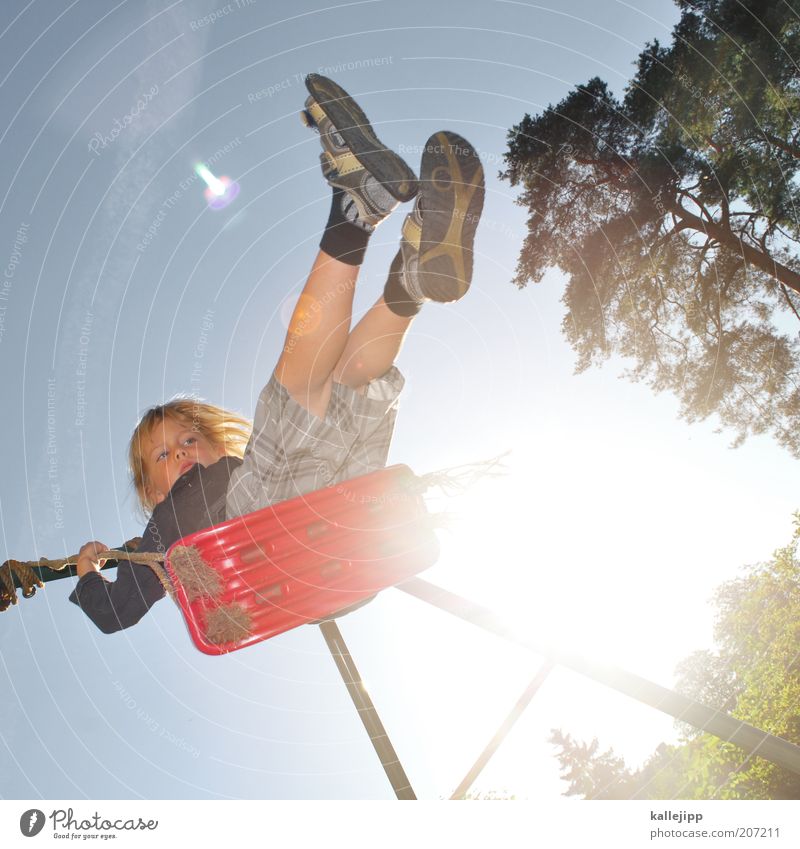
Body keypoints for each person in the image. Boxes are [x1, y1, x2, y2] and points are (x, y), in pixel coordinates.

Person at [70, 74, 485, 634]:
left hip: (341, 526)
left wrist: (97, 571)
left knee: (350, 386)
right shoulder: (163, 538)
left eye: (188, 441)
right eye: (165, 458)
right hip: (270, 539)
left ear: (219, 447)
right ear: (151, 494)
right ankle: (358, 208)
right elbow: (114, 614)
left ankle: (410, 279)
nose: (182, 455)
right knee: (299, 389)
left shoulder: (222, 485)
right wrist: (88, 573)